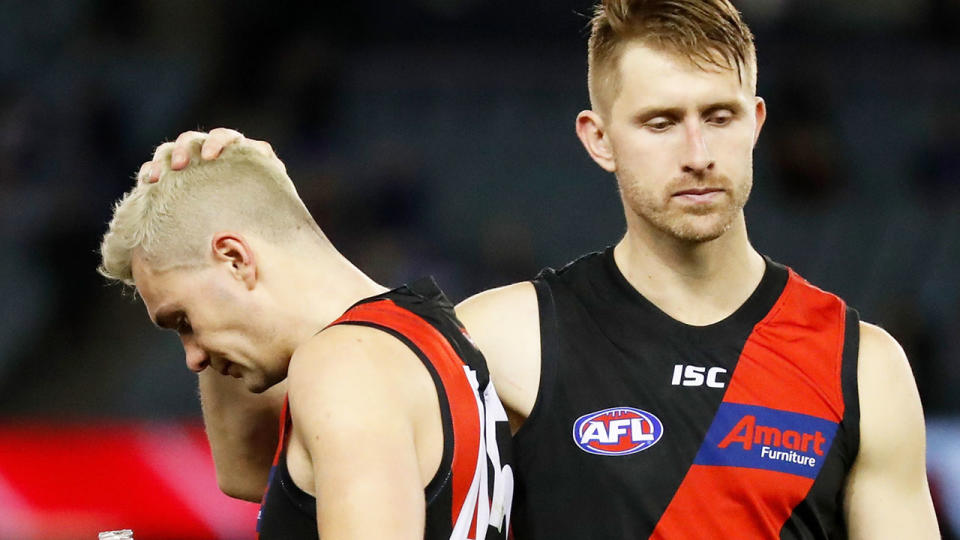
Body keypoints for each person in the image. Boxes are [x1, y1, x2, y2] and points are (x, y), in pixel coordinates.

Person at [150, 0, 941, 537]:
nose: (698, 154)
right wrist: (232, 222)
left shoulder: (860, 367)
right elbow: (265, 474)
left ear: (757, 123)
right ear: (598, 138)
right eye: (660, 122)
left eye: (720, 116)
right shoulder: (504, 338)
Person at [99, 140, 513, 539]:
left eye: (184, 320)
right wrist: (219, 189)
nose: (192, 358)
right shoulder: (429, 331)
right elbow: (247, 473)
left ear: (235, 258)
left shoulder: (341, 366)